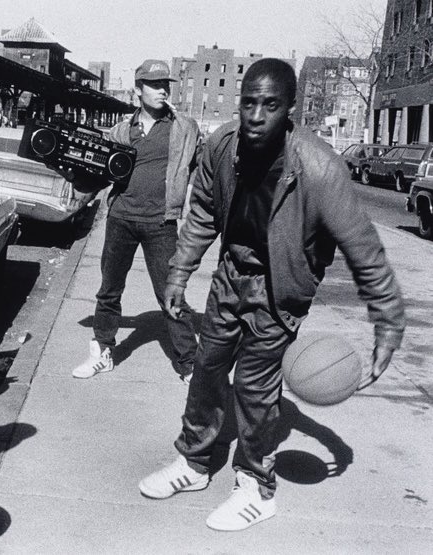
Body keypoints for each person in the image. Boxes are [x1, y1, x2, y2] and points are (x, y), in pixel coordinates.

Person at [138, 58, 405, 531]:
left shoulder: (319, 168)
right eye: (249, 103)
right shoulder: (222, 145)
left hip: (279, 291)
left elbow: (363, 248)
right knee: (206, 370)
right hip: (229, 278)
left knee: (256, 391)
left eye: (270, 105)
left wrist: (388, 321)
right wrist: (179, 273)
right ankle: (195, 463)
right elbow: (202, 210)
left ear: (290, 110)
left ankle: (257, 487)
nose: (256, 116)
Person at [72, 59, 200, 382]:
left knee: (171, 293)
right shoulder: (119, 131)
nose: (163, 91)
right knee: (109, 290)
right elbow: (96, 175)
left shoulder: (184, 128)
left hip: (161, 223)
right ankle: (102, 352)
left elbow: (209, 166)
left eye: (165, 85)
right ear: (137, 90)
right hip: (121, 220)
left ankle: (191, 366)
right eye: (155, 85)